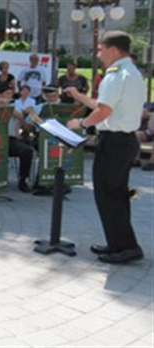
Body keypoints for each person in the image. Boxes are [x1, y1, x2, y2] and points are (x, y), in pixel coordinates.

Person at [66, 30, 146, 264]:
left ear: (112, 50)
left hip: (114, 142)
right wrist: (80, 97)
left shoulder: (114, 75)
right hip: (125, 141)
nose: (98, 54)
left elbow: (103, 112)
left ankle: (126, 247)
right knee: (116, 195)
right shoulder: (132, 73)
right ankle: (118, 244)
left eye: (100, 50)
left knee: (108, 196)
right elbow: (105, 105)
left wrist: (80, 123)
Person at [0, 83, 35, 192]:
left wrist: (8, 108)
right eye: (7, 94)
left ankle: (23, 179)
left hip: (10, 140)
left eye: (11, 94)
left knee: (27, 151)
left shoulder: (13, 107)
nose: (10, 97)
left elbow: (20, 117)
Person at [135, 106, 154, 171]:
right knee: (137, 135)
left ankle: (152, 162)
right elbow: (150, 122)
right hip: (149, 132)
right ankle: (136, 160)